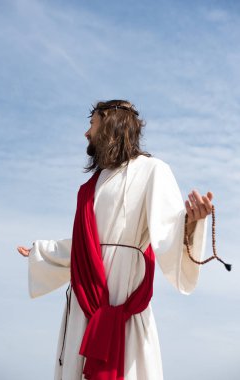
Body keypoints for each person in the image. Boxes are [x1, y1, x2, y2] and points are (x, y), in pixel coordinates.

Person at [17, 99, 213, 380]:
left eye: (92, 124)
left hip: (124, 302)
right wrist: (42, 251)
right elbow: (86, 245)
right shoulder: (91, 185)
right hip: (86, 300)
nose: (86, 133)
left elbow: (169, 227)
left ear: (110, 124)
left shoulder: (152, 170)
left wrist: (191, 222)